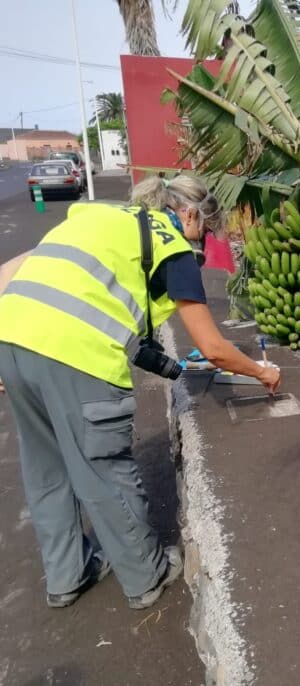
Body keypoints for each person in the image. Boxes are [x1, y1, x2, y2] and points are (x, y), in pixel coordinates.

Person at [0, 175, 280, 610]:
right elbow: (212, 347)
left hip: (13, 339)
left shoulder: (103, 214)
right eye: (204, 231)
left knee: (46, 470)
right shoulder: (173, 245)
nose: (202, 244)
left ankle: (67, 576)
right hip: (74, 353)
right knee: (104, 469)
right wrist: (261, 373)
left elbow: (15, 267)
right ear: (189, 214)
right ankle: (145, 575)